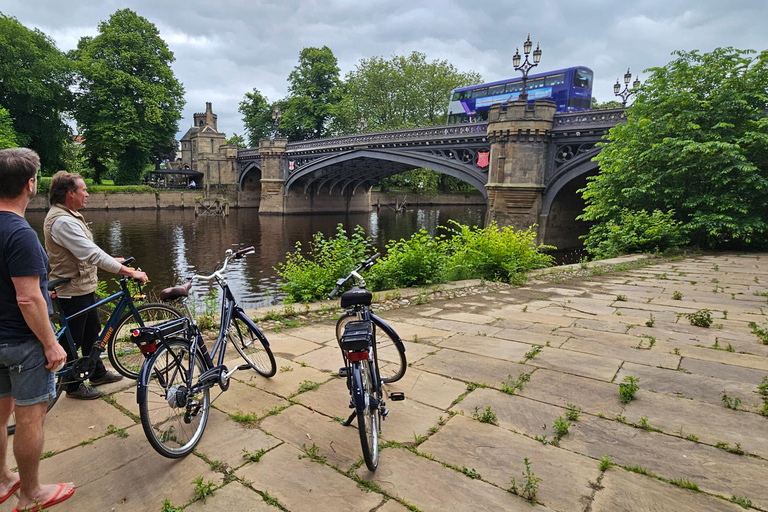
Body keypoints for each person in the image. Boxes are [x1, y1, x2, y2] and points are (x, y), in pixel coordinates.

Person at [0, 148, 75, 511]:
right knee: (30, 419)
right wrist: (50, 344)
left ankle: (2, 479)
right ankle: (31, 494)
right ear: (31, 184)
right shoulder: (20, 234)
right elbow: (28, 300)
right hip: (21, 343)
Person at [43, 171, 148, 399]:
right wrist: (129, 271)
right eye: (84, 190)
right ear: (70, 194)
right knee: (73, 340)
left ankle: (96, 372)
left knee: (93, 333)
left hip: (83, 286)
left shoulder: (69, 216)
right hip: (72, 290)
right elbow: (90, 253)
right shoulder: (62, 221)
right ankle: (71, 386)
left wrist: (114, 260)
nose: (87, 194)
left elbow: (88, 251)